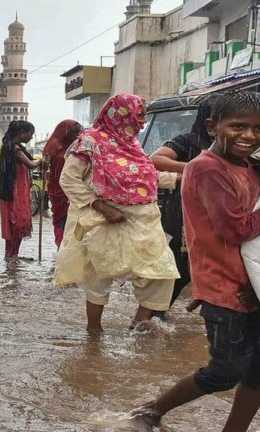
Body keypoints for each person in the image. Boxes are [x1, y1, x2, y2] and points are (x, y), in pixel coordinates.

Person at [131, 91, 260, 432]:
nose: (249, 136)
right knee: (225, 370)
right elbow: (237, 228)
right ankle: (151, 410)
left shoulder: (250, 166)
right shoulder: (206, 168)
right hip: (225, 287)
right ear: (212, 126)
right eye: (238, 126)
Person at [54, 93, 179, 333]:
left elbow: (144, 179)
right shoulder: (89, 141)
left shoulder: (133, 146)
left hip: (143, 220)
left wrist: (178, 178)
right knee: (101, 273)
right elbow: (68, 179)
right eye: (139, 115)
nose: (142, 122)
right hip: (103, 218)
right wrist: (101, 207)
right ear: (122, 114)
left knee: (161, 271)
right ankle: (94, 334)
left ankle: (138, 327)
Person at [150, 95, 218, 308]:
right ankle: (153, 311)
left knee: (205, 264)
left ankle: (157, 309)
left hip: (215, 213)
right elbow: (156, 159)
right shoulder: (189, 141)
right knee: (179, 265)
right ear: (209, 121)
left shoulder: (232, 146)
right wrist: (192, 168)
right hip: (182, 212)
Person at [0, 120, 41, 261]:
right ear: (22, 133)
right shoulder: (15, 149)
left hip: (11, 190)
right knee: (18, 222)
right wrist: (42, 161)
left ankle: (9, 254)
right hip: (16, 190)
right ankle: (13, 255)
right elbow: (31, 165)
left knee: (12, 223)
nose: (31, 137)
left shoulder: (9, 146)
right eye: (30, 134)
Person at [43, 120, 83, 247]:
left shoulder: (78, 145)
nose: (75, 135)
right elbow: (45, 165)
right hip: (58, 190)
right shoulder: (54, 145)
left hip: (76, 188)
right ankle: (61, 247)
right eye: (73, 132)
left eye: (77, 132)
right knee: (61, 218)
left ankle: (72, 249)